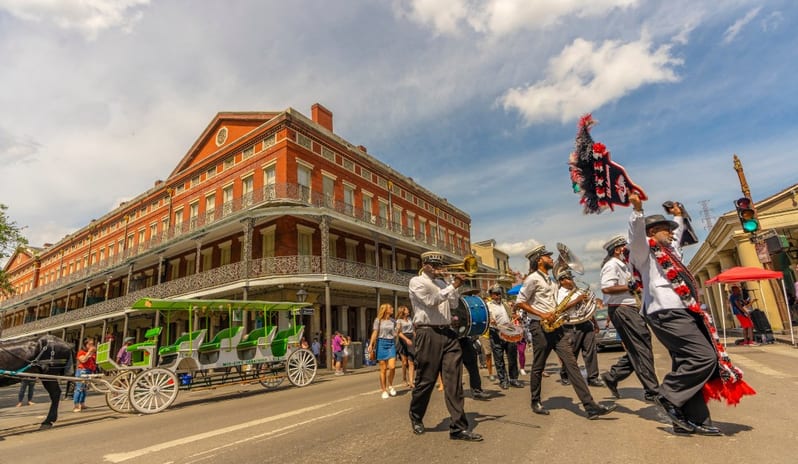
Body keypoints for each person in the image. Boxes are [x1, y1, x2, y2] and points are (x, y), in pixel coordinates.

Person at [628, 192, 727, 435]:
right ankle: (667, 395)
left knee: (686, 361)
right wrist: (637, 210)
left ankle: (692, 419)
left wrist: (679, 216)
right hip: (665, 310)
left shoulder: (671, 250)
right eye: (665, 229)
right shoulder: (644, 253)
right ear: (652, 233)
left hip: (683, 309)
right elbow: (636, 236)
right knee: (703, 357)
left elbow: (679, 234)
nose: (671, 233)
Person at [514, 244, 616, 420]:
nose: (551, 258)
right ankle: (535, 400)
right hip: (540, 326)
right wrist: (542, 314)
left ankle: (590, 406)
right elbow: (519, 302)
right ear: (539, 260)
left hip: (556, 327)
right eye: (547, 256)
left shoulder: (550, 280)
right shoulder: (532, 279)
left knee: (572, 365)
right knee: (538, 366)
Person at [408, 251, 482, 441]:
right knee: (426, 380)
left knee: (454, 382)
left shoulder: (442, 283)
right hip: (428, 333)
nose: (437, 268)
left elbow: (453, 302)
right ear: (424, 265)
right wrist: (453, 285)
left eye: (438, 265)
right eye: (433, 265)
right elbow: (431, 302)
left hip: (448, 333)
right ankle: (416, 415)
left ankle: (458, 427)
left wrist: (454, 286)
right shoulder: (417, 282)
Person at [599, 235, 660, 402]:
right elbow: (606, 288)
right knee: (641, 347)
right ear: (618, 249)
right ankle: (652, 390)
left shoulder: (622, 265)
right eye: (625, 247)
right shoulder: (612, 265)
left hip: (627, 309)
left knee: (639, 346)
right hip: (622, 309)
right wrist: (628, 286)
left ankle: (613, 376)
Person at [556, 271, 604, 388]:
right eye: (569, 278)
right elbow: (559, 308)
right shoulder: (558, 293)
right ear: (562, 281)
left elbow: (586, 308)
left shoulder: (578, 291)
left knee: (590, 351)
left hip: (586, 323)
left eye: (571, 278)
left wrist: (594, 323)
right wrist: (577, 300)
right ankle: (564, 374)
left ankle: (593, 377)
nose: (572, 280)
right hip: (571, 325)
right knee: (572, 353)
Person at [486, 286, 522, 389]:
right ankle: (503, 380)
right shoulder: (488, 306)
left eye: (499, 293)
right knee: (499, 358)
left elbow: (511, 315)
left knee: (512, 357)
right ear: (491, 295)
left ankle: (514, 379)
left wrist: (516, 316)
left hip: (508, 331)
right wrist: (490, 320)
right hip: (495, 332)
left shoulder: (505, 304)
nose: (498, 295)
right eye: (496, 294)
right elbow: (485, 319)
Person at [368, 303, 398, 399]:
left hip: (391, 343)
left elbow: (395, 334)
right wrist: (371, 344)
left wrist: (397, 330)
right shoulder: (378, 320)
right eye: (390, 308)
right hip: (381, 343)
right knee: (383, 369)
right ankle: (384, 390)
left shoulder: (393, 321)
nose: (392, 309)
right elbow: (375, 332)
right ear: (385, 310)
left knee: (392, 367)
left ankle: (390, 385)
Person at [74, 337, 97, 412]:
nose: (91, 346)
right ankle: (76, 405)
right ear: (85, 344)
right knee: (79, 388)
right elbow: (83, 360)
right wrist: (89, 352)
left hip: (89, 371)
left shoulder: (92, 353)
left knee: (84, 389)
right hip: (82, 371)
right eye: (90, 344)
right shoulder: (81, 352)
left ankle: (82, 403)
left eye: (92, 344)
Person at [396, 305, 416, 388]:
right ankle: (404, 379)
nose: (408, 310)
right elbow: (398, 332)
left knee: (411, 361)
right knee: (404, 362)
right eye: (406, 309)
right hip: (403, 339)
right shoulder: (399, 321)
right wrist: (406, 339)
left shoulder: (410, 319)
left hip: (411, 338)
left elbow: (413, 330)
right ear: (403, 311)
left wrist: (415, 337)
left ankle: (411, 381)